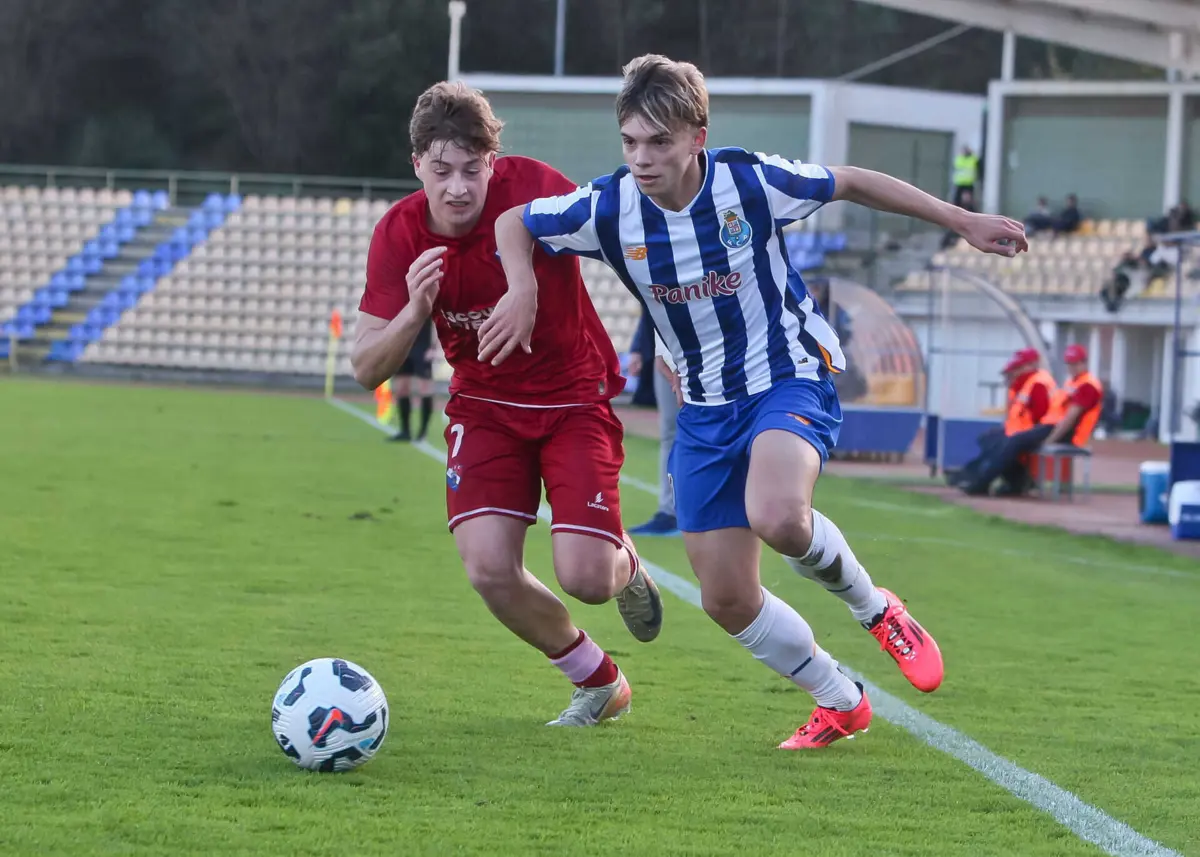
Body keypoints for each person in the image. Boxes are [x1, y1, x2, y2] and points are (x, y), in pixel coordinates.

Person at [480, 54, 1029, 749]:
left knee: (778, 515)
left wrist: (961, 219)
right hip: (704, 409)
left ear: (697, 137)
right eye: (630, 141)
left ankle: (877, 609)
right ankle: (840, 699)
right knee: (727, 598)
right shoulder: (608, 207)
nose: (642, 158)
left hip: (787, 375)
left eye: (659, 142)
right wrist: (522, 286)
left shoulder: (749, 182)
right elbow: (515, 221)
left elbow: (851, 180)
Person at [351, 81, 664, 728]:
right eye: (442, 171)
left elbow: (628, 237)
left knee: (587, 577)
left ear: (492, 162)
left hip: (572, 397)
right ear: (417, 165)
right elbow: (365, 367)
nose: (458, 188)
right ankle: (598, 682)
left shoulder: (537, 187)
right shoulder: (400, 233)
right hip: (484, 406)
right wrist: (414, 311)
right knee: (490, 568)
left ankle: (626, 563)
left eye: (472, 170)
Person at [958, 344, 1101, 496]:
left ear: (1084, 362)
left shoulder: (1088, 385)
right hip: (1051, 426)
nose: (1072, 367)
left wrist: (1051, 440)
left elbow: (1070, 418)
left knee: (1014, 441)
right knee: (1005, 440)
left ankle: (984, 482)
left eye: (1075, 363)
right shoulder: (1073, 381)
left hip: (1067, 433)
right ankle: (986, 478)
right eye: (1069, 363)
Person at [949, 348, 1056, 494]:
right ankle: (1006, 479)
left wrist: (1020, 432)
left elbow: (1040, 415)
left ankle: (981, 481)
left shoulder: (1038, 383)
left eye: (1018, 367)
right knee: (989, 438)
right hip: (1022, 430)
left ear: (1031, 365)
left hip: (1039, 430)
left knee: (1005, 444)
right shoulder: (1023, 384)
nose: (1014, 372)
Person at [627, 310, 680, 536]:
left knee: (717, 428)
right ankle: (670, 511)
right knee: (671, 431)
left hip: (716, 342)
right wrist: (640, 346)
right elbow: (650, 300)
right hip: (668, 345)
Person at [388, 315, 437, 442]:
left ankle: (423, 431)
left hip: (423, 347)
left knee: (424, 389)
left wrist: (433, 347)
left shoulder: (426, 301)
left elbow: (436, 320)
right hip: (403, 346)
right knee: (401, 389)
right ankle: (405, 431)